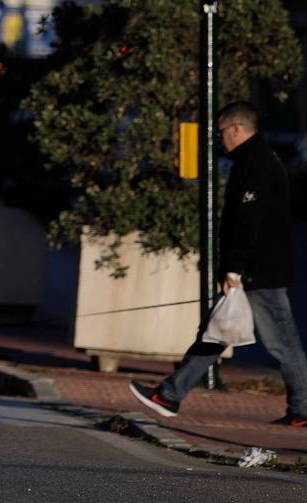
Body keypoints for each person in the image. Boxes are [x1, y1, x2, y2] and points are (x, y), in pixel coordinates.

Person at [130, 101, 307, 427]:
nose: (220, 137)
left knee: (282, 343)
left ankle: (303, 410)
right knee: (215, 333)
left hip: (259, 272)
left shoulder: (256, 163)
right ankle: (169, 394)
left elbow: (248, 221)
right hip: (254, 270)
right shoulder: (256, 161)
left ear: (237, 129)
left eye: (222, 131)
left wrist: (234, 269)